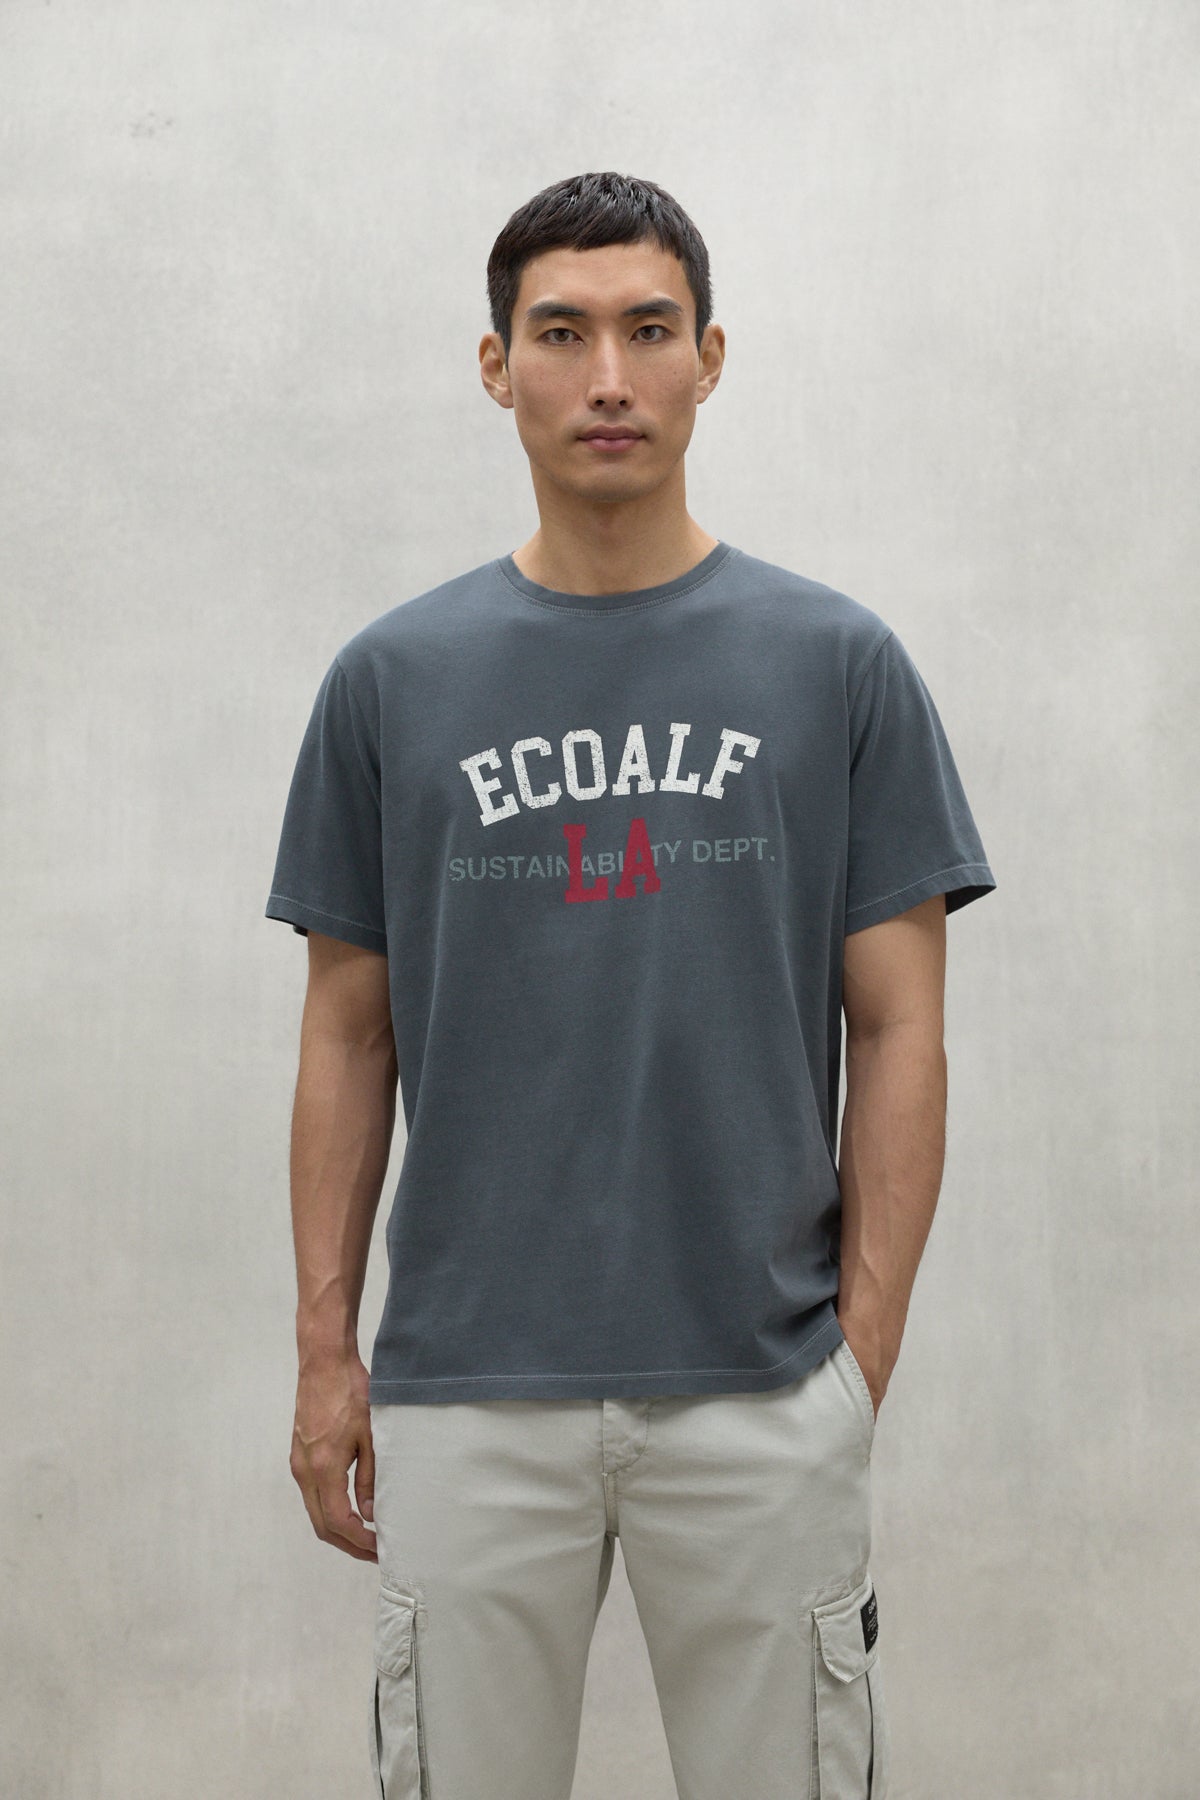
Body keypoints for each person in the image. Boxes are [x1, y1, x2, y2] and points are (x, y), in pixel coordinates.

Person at [264, 170, 996, 1800]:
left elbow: (901, 1026)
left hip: (761, 1381)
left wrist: (857, 1358)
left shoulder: (837, 665)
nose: (609, 376)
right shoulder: (392, 681)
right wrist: (327, 1353)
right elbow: (346, 1032)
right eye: (562, 333)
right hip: (465, 1386)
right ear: (495, 365)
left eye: (649, 330)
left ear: (709, 357)